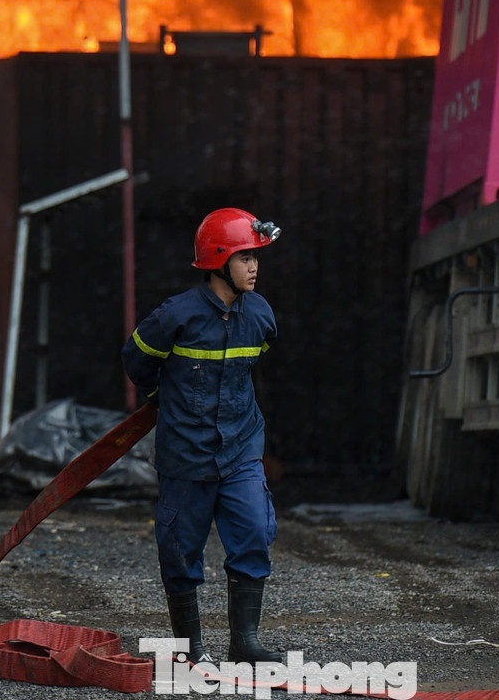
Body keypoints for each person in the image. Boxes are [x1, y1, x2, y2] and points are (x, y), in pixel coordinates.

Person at [122, 207, 284, 665]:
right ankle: (189, 649)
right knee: (180, 550)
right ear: (218, 260)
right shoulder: (176, 316)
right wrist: (163, 398)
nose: (254, 266)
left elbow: (253, 364)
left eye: (255, 257)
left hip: (241, 449)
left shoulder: (261, 315)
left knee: (254, 532)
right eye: (245, 257)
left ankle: (244, 643)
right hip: (185, 454)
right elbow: (136, 361)